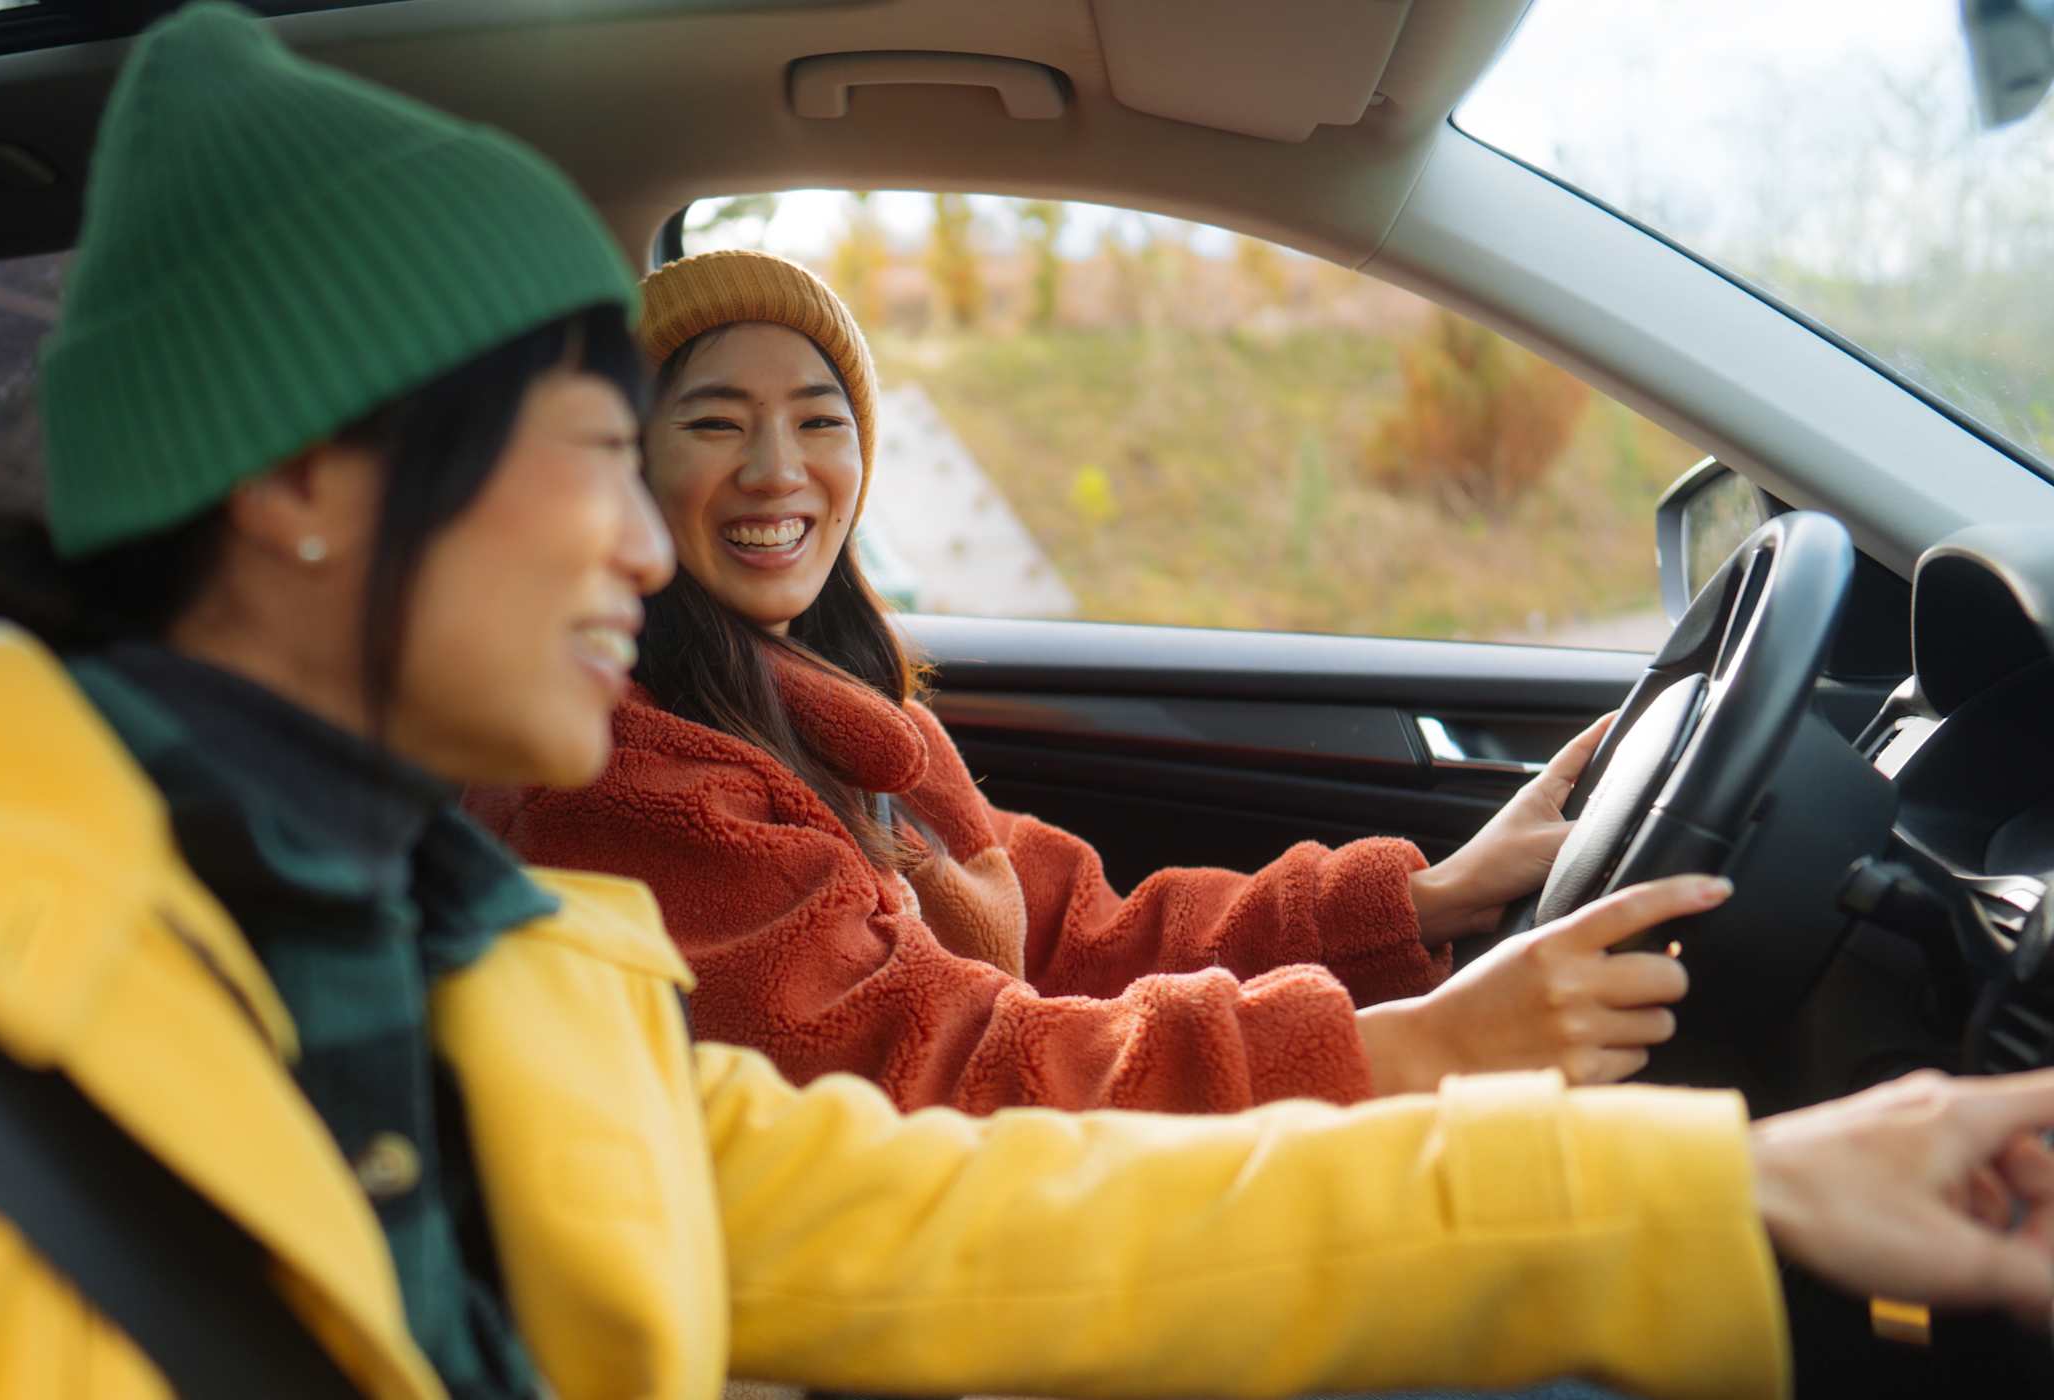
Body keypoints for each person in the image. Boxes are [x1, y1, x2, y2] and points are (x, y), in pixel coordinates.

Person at [0, 7, 2054, 1399]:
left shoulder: (506, 963)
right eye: (575, 445)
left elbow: (994, 1226)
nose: (657, 529)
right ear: (306, 492)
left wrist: (1762, 1190)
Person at [472, 250, 1677, 1114]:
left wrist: (1421, 901)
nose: (778, 470)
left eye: (820, 419)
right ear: (625, 470)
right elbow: (942, 1069)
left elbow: (1075, 932)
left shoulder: (842, 717)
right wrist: (1398, 1045)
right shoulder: (625, 778)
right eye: (716, 423)